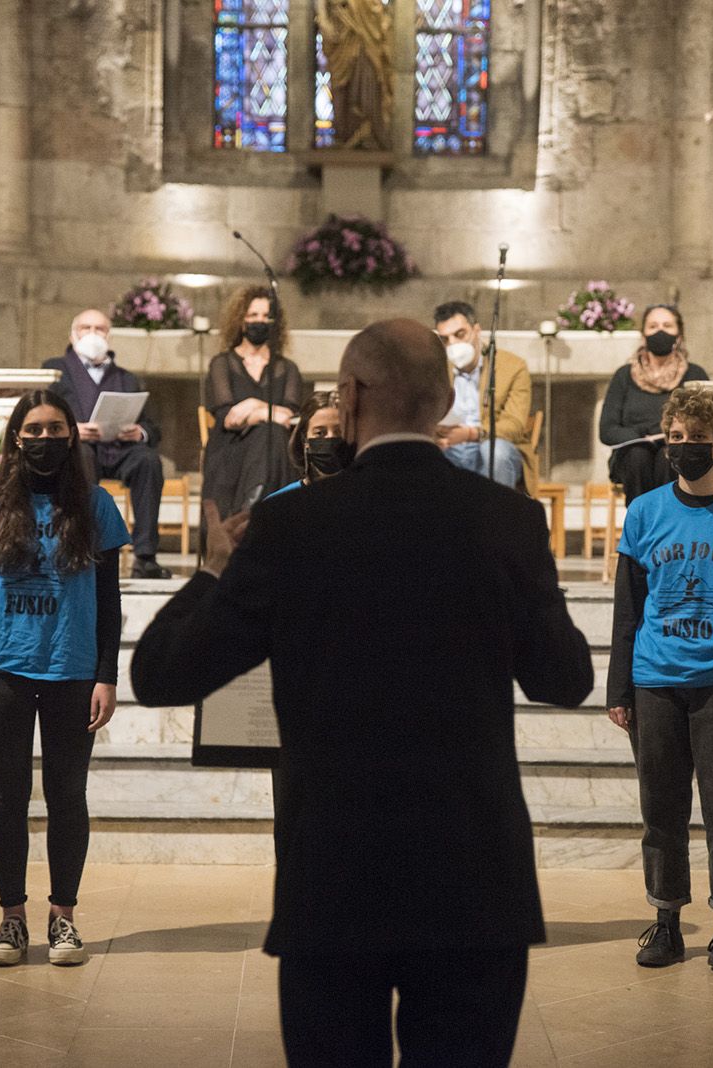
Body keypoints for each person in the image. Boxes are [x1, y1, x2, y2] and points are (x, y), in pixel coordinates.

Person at [130, 319, 594, 1067]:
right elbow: (566, 680)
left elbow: (160, 676)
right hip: (473, 879)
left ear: (347, 398)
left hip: (336, 878)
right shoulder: (507, 520)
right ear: (445, 399)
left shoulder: (290, 526)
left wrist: (215, 570)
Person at [0, 390, 130, 968]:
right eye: (34, 429)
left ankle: (64, 918)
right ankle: (11, 920)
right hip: (1, 665)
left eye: (56, 428)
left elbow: (108, 600)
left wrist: (107, 674)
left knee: (67, 797)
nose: (45, 438)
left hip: (72, 668)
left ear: (72, 437)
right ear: (16, 438)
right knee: (7, 798)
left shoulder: (96, 505)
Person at [606, 384, 713, 974]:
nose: (684, 448)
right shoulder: (645, 511)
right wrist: (619, 688)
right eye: (675, 439)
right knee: (661, 807)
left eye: (696, 440)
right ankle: (666, 920)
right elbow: (627, 607)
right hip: (655, 678)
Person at [44, 308, 171, 579]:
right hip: (80, 449)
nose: (92, 334)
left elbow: (152, 427)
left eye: (99, 329)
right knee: (83, 456)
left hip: (120, 450)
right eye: (85, 328)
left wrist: (139, 433)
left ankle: (145, 556)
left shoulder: (126, 377)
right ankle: (85, 547)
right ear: (72, 334)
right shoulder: (54, 371)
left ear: (109, 336)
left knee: (148, 461)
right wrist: (72, 430)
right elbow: (42, 414)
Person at [201, 285, 304, 517]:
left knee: (273, 435)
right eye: (253, 315)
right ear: (241, 320)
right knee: (270, 432)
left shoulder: (287, 369)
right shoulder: (222, 364)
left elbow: (288, 418)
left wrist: (252, 406)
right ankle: (255, 512)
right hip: (231, 449)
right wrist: (269, 412)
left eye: (267, 316)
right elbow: (229, 419)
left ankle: (249, 511)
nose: (260, 321)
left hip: (277, 451)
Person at [599, 303, 710, 503]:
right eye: (653, 326)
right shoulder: (624, 375)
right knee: (637, 456)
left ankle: (670, 522)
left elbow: (705, 423)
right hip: (631, 458)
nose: (660, 331)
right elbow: (607, 430)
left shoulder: (695, 375)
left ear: (679, 335)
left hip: (678, 453)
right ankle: (640, 524)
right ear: (643, 335)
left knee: (667, 456)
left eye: (667, 326)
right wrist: (642, 435)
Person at [432, 300, 537, 494]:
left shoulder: (512, 366)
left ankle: (497, 520)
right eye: (445, 339)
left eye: (460, 334)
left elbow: (514, 424)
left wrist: (471, 433)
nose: (453, 344)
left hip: (491, 444)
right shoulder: (436, 368)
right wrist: (438, 434)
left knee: (495, 452)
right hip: (449, 448)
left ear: (476, 330)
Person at [264, 390, 351, 499]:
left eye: (339, 431)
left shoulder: (367, 498)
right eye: (320, 433)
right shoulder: (278, 502)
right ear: (304, 439)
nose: (330, 437)